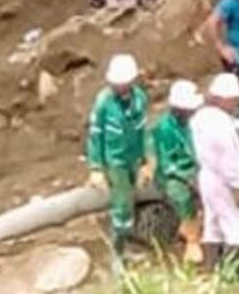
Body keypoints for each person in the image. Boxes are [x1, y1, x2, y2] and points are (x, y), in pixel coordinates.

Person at [85, 54, 153, 271]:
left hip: (133, 159)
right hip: (115, 162)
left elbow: (143, 131)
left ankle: (127, 246)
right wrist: (95, 167)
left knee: (131, 203)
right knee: (122, 206)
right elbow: (95, 136)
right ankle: (117, 251)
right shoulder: (104, 102)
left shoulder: (139, 99)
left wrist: (145, 161)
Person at [190, 73, 239, 271]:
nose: (235, 104)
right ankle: (231, 273)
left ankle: (210, 268)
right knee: (236, 224)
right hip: (223, 180)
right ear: (224, 99)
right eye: (234, 100)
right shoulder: (222, 123)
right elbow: (229, 157)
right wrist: (238, 186)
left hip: (206, 175)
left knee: (212, 222)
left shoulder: (199, 117)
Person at [153, 79, 204, 263]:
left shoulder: (194, 122)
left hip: (195, 168)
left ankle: (197, 225)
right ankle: (192, 240)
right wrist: (188, 177)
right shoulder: (164, 128)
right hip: (173, 174)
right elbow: (167, 163)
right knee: (181, 195)